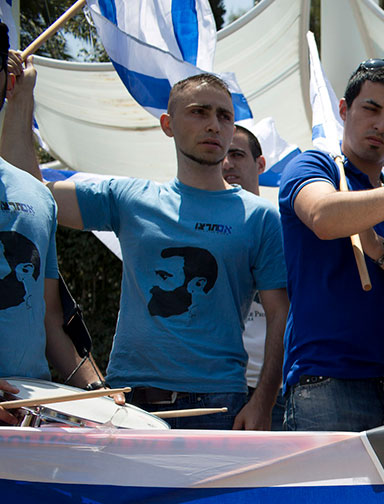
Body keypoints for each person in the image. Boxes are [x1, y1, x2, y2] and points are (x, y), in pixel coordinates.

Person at [0, 61, 288, 430]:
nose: (214, 124)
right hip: (128, 399)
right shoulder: (130, 198)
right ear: (167, 124)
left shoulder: (262, 217)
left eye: (224, 116)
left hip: (218, 404)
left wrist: (262, 402)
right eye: (199, 112)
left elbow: (281, 316)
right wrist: (22, 97)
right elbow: (32, 191)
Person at [279, 59, 384, 431]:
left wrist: (380, 249)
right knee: (323, 492)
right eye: (371, 108)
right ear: (344, 110)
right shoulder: (314, 166)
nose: (381, 125)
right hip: (325, 381)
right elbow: (323, 216)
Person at [0, 24, 105, 425]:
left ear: (7, 80)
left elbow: (48, 317)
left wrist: (96, 393)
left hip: (27, 420)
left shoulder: (36, 195)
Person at [223, 123, 285, 429]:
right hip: (217, 386)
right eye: (221, 154)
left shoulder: (283, 230)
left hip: (276, 389)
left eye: (236, 154)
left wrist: (266, 397)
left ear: (261, 164)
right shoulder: (198, 231)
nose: (226, 163)